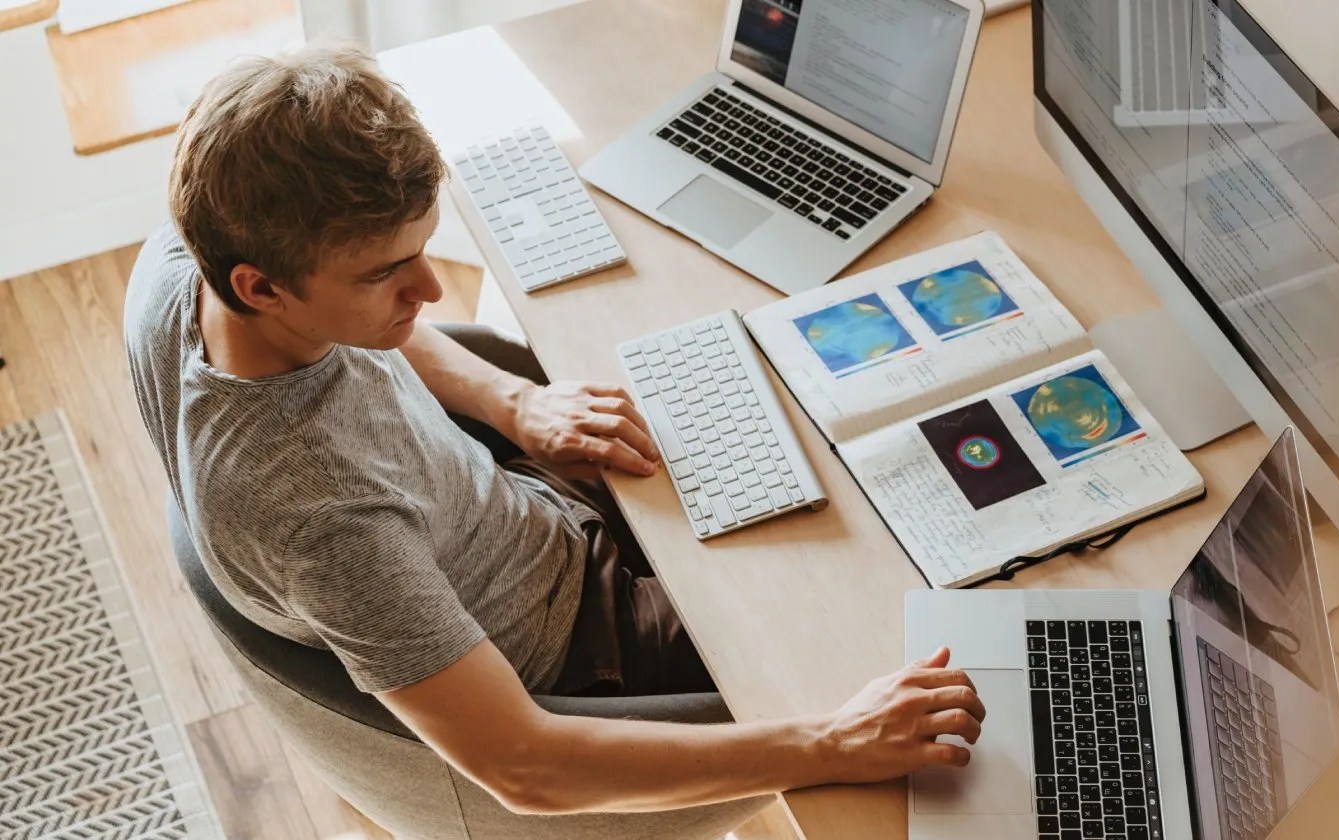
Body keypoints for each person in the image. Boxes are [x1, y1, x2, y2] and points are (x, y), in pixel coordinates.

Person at [124, 44, 982, 815]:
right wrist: (830, 745)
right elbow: (527, 768)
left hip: (514, 510)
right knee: (902, 628)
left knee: (806, 431)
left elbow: (383, 329)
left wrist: (513, 405)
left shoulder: (191, 254)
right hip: (582, 649)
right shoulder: (320, 520)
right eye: (386, 273)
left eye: (424, 249)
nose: (428, 291)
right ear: (261, 287)